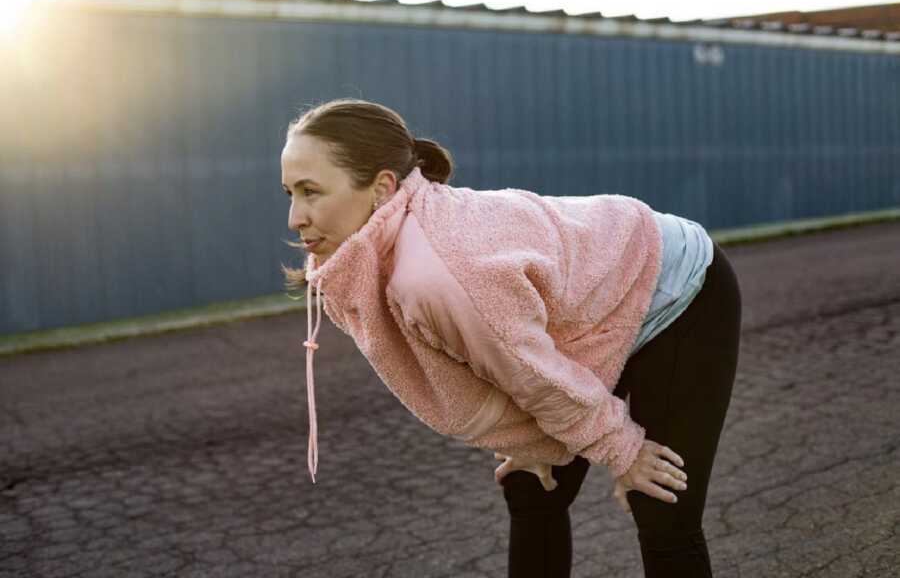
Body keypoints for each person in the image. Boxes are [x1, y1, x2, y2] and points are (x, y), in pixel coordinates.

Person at [280, 98, 742, 578]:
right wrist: (530, 440)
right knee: (532, 489)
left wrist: (621, 449)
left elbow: (528, 370)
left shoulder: (436, 275)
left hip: (674, 288)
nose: (295, 217)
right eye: (289, 193)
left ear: (382, 187)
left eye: (311, 192)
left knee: (661, 506)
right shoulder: (389, 242)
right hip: (580, 316)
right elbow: (497, 357)